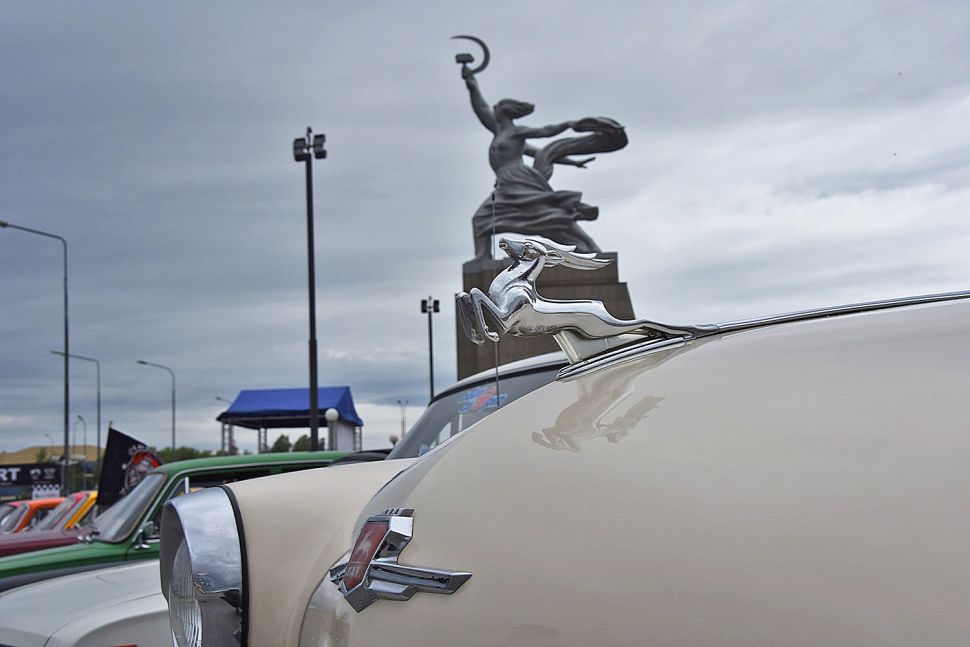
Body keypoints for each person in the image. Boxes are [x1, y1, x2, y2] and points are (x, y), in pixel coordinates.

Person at [462, 66, 627, 259]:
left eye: (496, 107)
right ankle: (482, 257)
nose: (493, 110)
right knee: (482, 218)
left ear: (504, 111)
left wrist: (567, 125)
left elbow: (545, 131)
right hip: (505, 183)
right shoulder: (500, 133)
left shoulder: (517, 132)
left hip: (519, 179)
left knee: (546, 214)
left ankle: (591, 247)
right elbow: (481, 108)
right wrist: (472, 85)